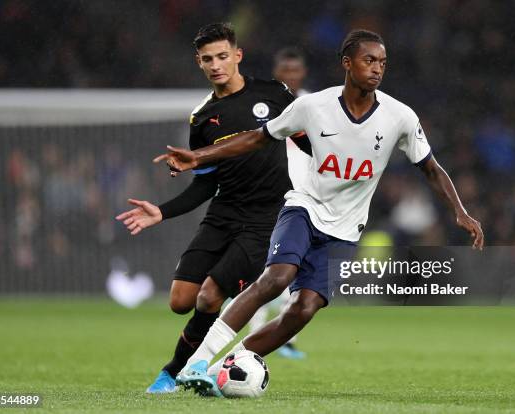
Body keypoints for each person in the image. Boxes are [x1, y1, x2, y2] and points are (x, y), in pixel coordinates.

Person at [157, 29, 484, 396]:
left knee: (304, 308)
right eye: (369, 60)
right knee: (277, 278)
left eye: (382, 62)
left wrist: (460, 210)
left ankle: (220, 369)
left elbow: (431, 167)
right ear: (347, 63)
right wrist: (198, 156)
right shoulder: (313, 106)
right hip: (303, 208)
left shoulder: (400, 117)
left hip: (346, 229)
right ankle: (197, 363)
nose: (377, 69)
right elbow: (257, 137)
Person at [115, 22, 309, 394]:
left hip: (266, 219)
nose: (216, 64)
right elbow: (204, 182)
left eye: (223, 56)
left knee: (208, 296)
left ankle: (174, 371)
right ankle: (199, 354)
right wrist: (162, 211)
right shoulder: (202, 118)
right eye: (208, 59)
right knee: (181, 300)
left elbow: (308, 139)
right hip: (223, 213)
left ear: (237, 56)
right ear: (199, 64)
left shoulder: (274, 94)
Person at [247, 47, 311, 360]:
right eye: (285, 70)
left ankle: (285, 337)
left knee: (299, 267)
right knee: (269, 268)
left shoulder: (315, 105)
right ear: (277, 73)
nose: (291, 76)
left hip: (306, 195)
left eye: (295, 70)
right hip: (269, 193)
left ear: (303, 73)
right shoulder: (264, 106)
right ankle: (256, 332)